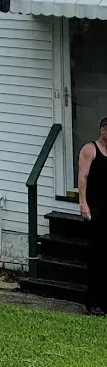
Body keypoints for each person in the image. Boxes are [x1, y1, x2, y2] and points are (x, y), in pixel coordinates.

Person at [78, 115, 107, 313]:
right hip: (96, 208)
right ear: (103, 130)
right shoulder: (90, 149)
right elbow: (83, 177)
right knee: (97, 255)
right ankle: (93, 302)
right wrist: (83, 204)